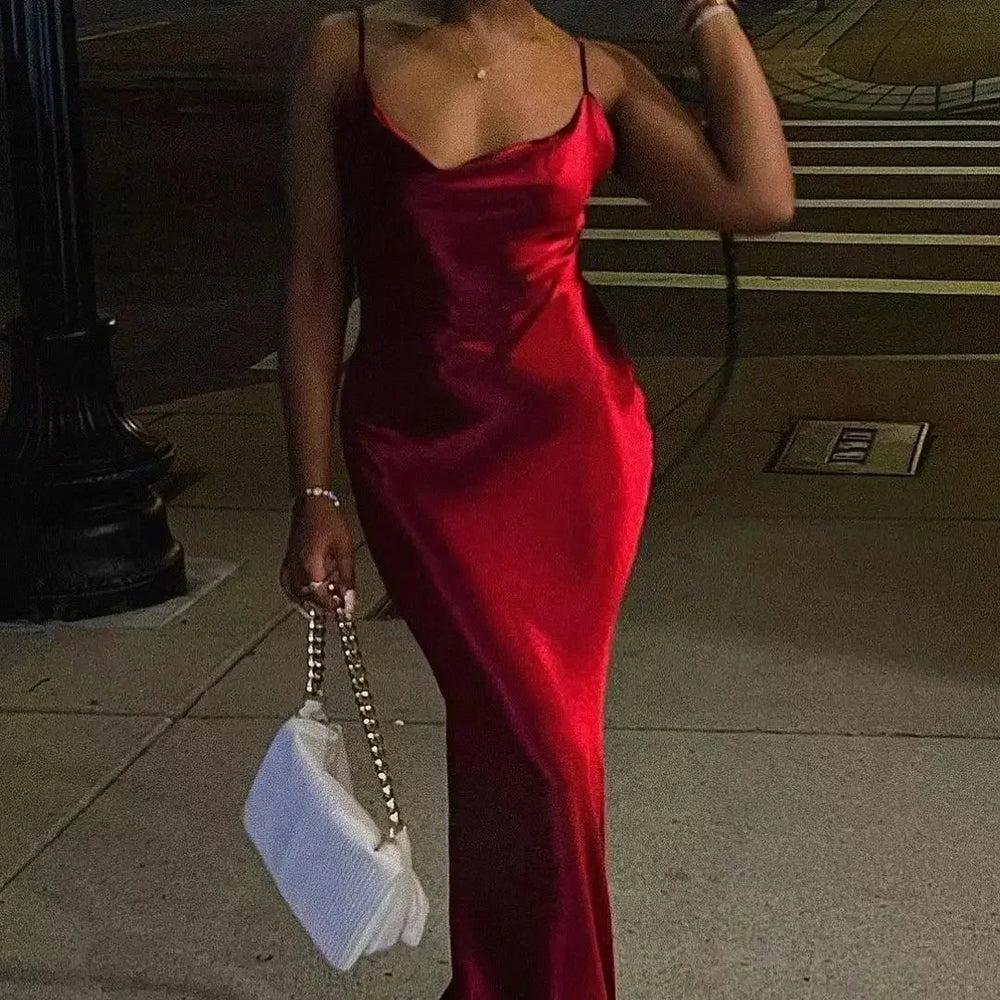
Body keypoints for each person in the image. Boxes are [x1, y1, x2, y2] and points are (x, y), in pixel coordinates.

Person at [278, 1, 794, 996]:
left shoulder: (598, 74)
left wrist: (709, 13)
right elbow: (313, 276)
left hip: (575, 450)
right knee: (520, 733)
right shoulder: (342, 52)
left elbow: (759, 195)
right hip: (416, 458)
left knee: (538, 742)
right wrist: (311, 486)